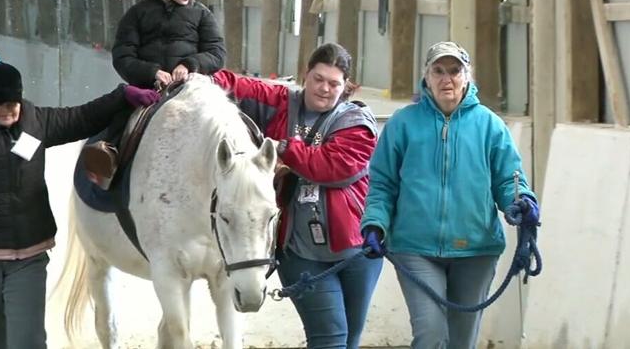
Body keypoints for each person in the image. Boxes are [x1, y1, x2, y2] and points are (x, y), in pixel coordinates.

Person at [0, 62, 160, 349]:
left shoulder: (35, 121)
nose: (7, 110)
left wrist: (121, 96)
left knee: (28, 340)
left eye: (12, 103)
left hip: (29, 254)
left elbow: (82, 117)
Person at [360, 41, 540, 349]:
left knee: (461, 340)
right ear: (426, 77)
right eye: (438, 71)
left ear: (467, 76)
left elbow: (509, 180)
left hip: (477, 249)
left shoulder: (490, 126)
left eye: (455, 71)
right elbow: (382, 183)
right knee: (430, 333)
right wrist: (375, 223)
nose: (447, 79)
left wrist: (522, 201)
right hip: (414, 248)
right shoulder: (402, 124)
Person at [206, 42, 382, 349]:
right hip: (300, 252)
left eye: (334, 83)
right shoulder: (282, 101)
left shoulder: (357, 122)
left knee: (349, 340)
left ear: (347, 87)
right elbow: (234, 85)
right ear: (306, 74)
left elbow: (333, 167)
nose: (324, 88)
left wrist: (285, 148)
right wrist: (193, 70)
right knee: (330, 338)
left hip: (357, 253)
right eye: (318, 78)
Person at [82, 0, 226, 187]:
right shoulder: (137, 15)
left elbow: (217, 52)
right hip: (150, 90)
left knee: (227, 115)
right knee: (121, 112)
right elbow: (123, 56)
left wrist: (190, 65)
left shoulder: (202, 15)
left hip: (191, 87)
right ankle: (108, 152)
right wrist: (152, 72)